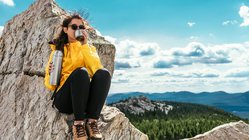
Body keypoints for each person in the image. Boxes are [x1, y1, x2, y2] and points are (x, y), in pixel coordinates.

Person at [44, 14, 111, 140]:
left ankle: (91, 122)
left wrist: (84, 45)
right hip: (65, 100)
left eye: (81, 27)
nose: (77, 29)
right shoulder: (58, 50)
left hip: (82, 99)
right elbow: (50, 85)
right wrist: (51, 73)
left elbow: (97, 70)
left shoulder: (88, 48)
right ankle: (78, 124)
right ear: (65, 29)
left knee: (104, 73)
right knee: (81, 72)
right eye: (74, 27)